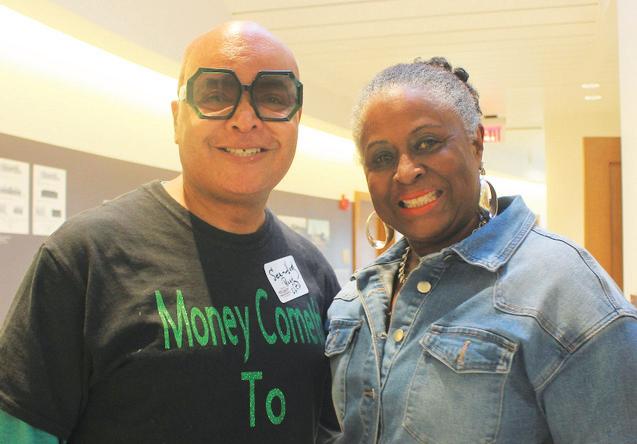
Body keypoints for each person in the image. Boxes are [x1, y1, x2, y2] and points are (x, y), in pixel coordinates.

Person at [0, 21, 340, 443]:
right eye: (216, 94)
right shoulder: (86, 258)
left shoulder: (312, 270)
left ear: (296, 121)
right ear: (178, 120)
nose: (245, 119)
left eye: (273, 97)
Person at [325, 57, 637, 443]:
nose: (405, 171)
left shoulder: (563, 290)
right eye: (382, 158)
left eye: (427, 143)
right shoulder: (354, 301)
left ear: (476, 144)